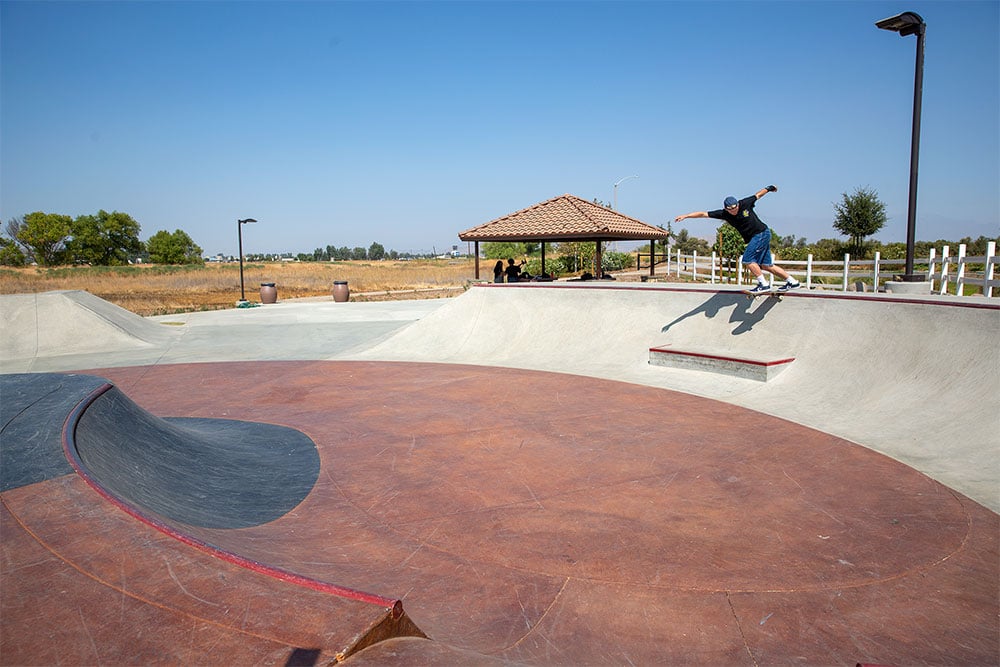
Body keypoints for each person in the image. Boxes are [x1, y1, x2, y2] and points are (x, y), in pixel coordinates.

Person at [674, 185, 801, 293]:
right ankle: (793, 282)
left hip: (761, 233)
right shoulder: (723, 214)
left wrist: (769, 188)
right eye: (731, 210)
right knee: (766, 266)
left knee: (747, 260)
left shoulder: (745, 203)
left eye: (735, 208)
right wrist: (686, 216)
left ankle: (763, 284)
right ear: (726, 209)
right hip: (757, 236)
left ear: (738, 205)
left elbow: (758, 195)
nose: (734, 211)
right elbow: (703, 214)